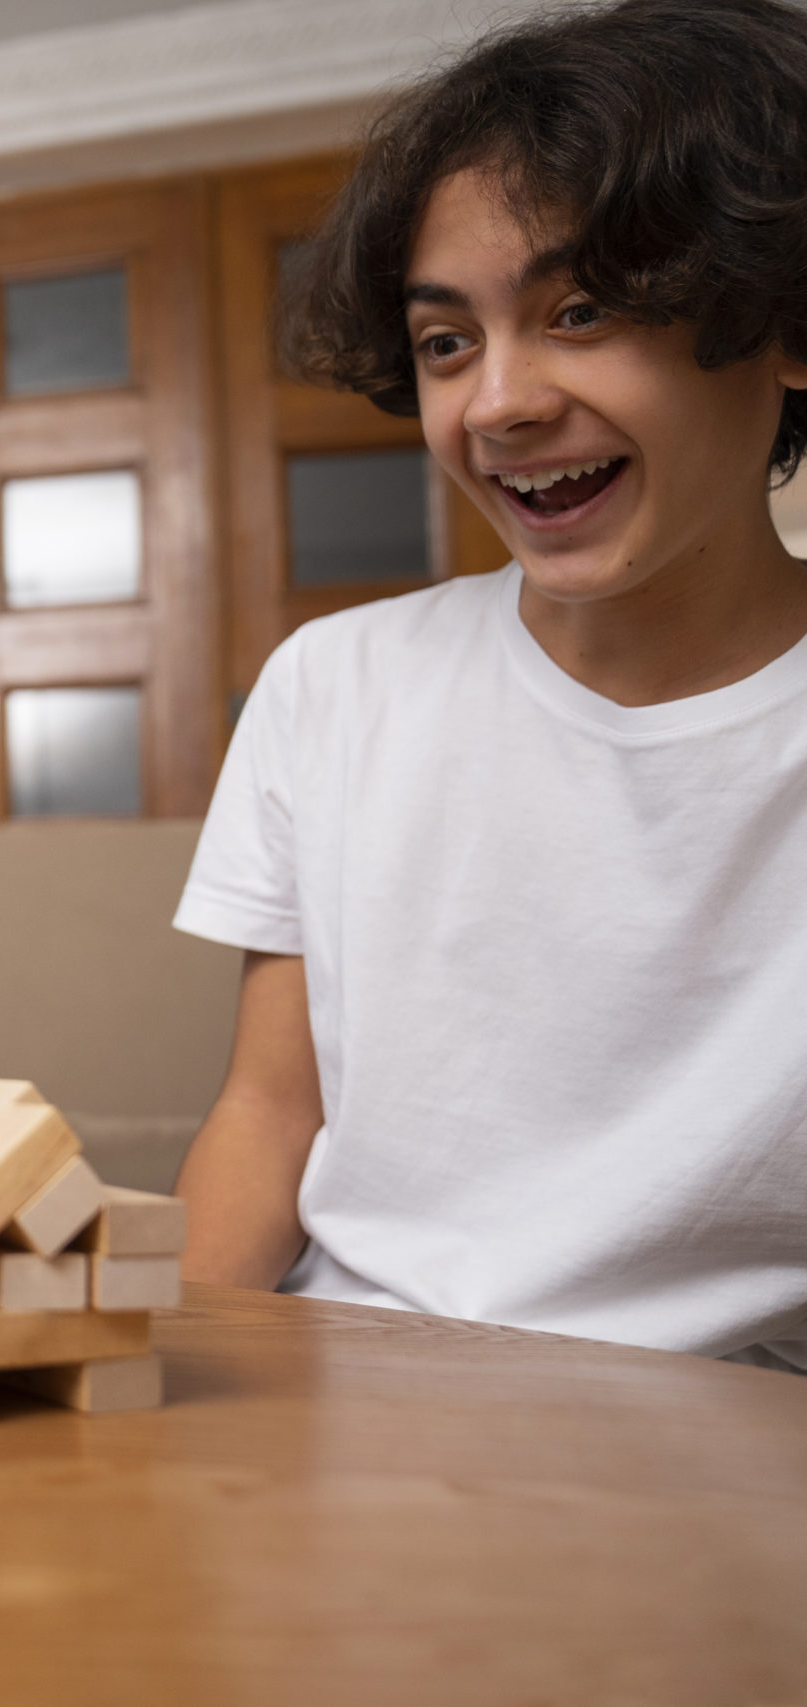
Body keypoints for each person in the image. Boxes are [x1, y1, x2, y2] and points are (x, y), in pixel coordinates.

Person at [173, 0, 807, 1368]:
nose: (498, 403)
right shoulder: (333, 685)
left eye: (581, 312)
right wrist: (154, 1410)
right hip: (340, 1391)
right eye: (447, 340)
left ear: (783, 322)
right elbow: (271, 1113)